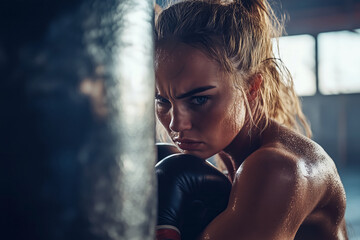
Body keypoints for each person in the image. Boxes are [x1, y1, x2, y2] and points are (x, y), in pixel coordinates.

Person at [154, 0, 348, 240]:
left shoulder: (277, 168)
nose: (176, 124)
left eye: (199, 100)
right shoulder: (233, 161)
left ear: (251, 88)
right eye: (163, 100)